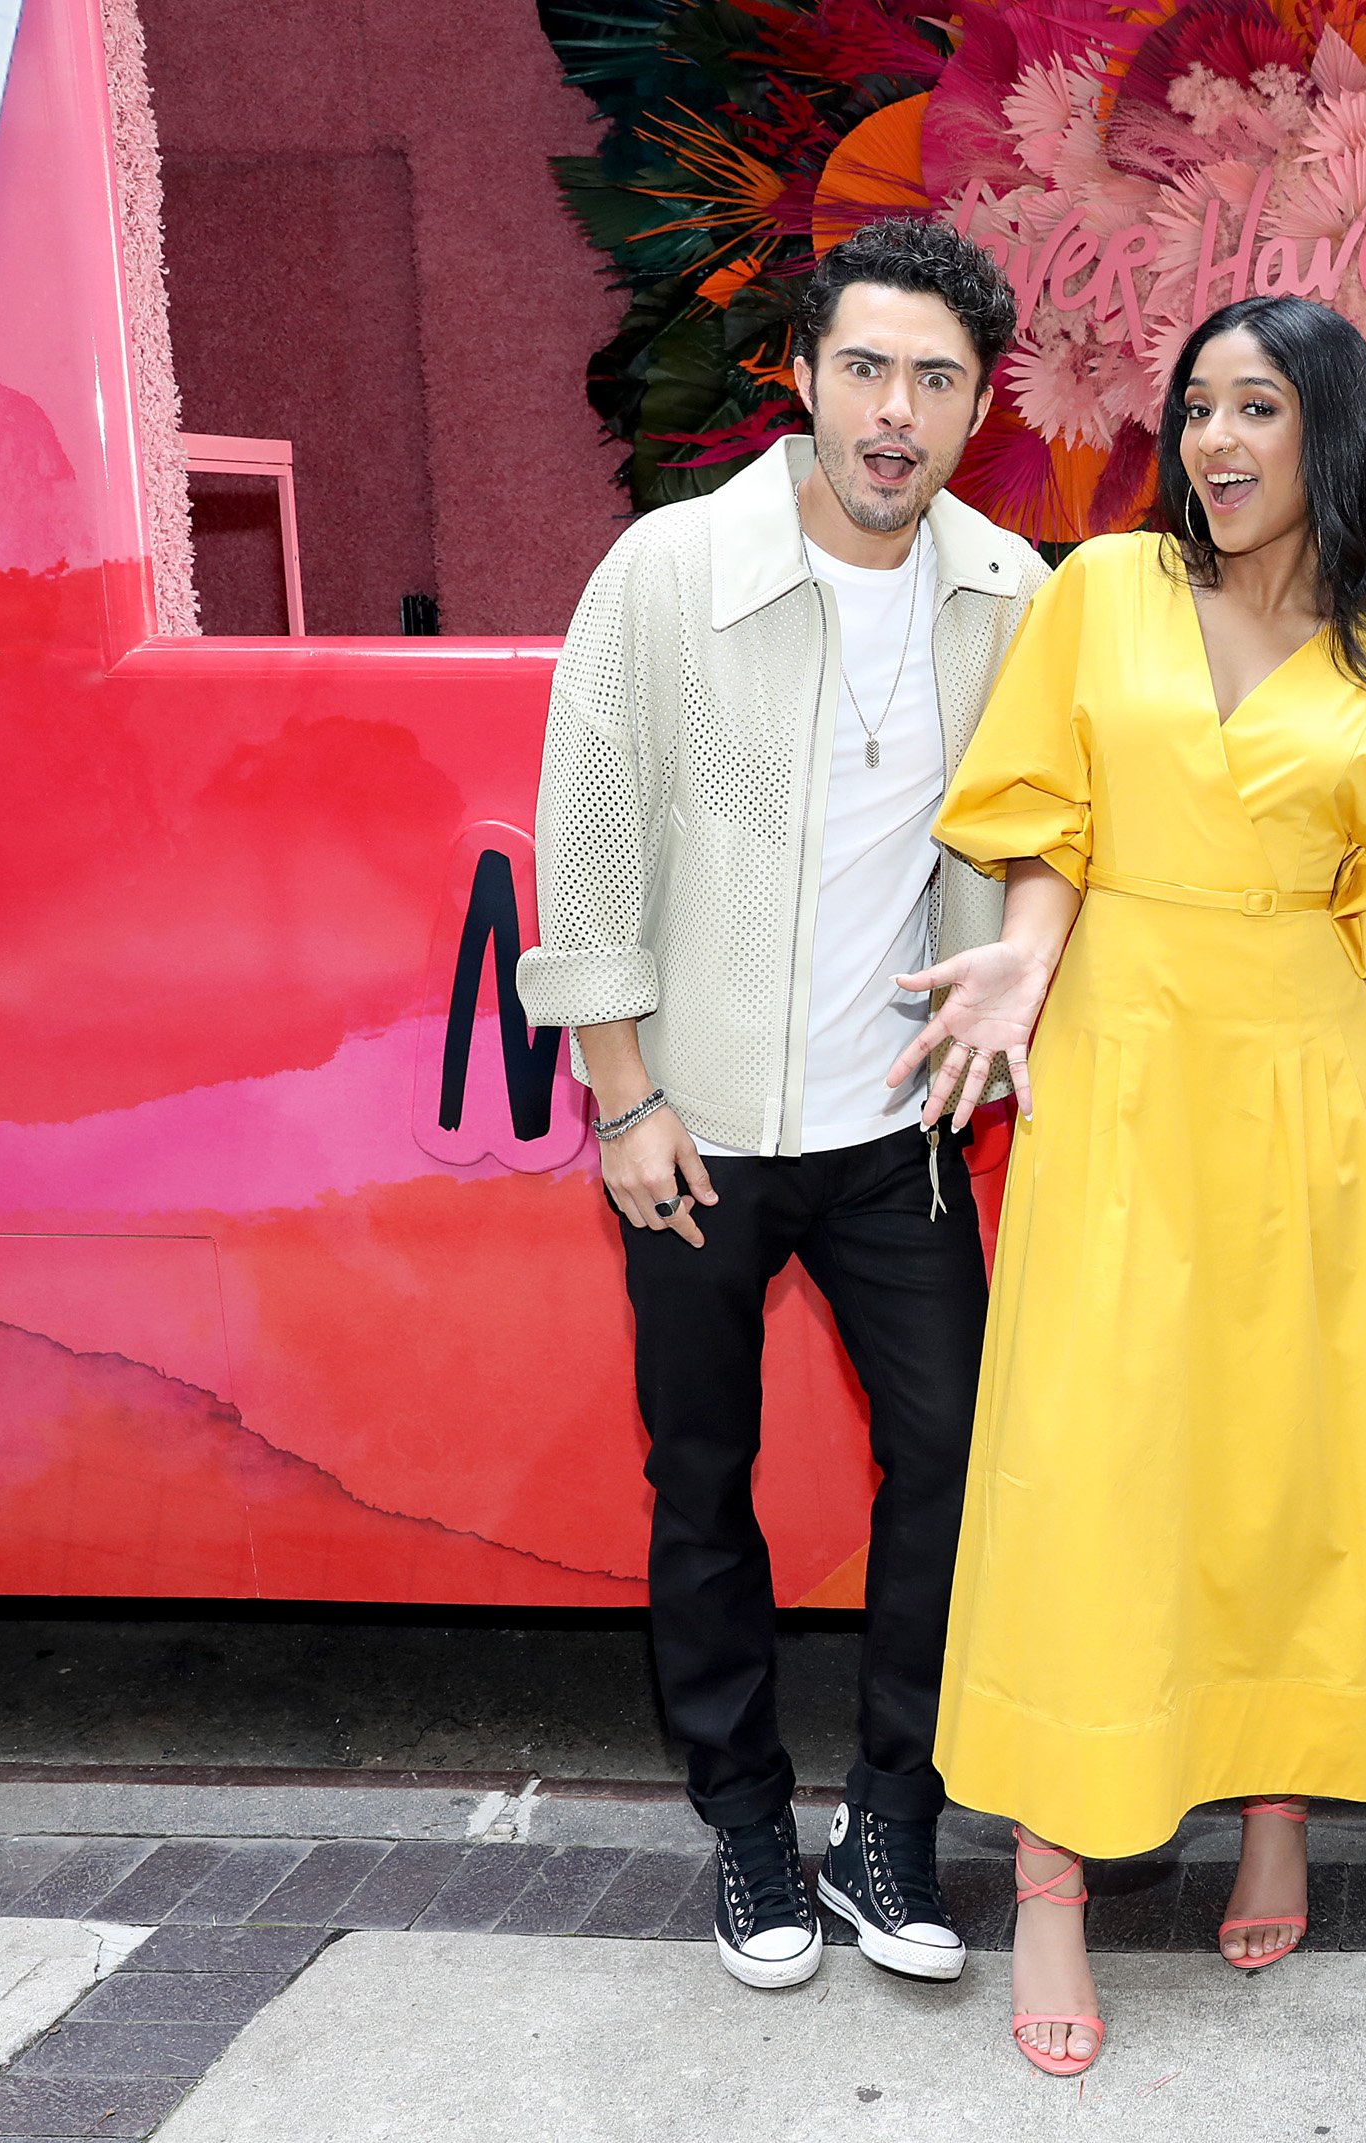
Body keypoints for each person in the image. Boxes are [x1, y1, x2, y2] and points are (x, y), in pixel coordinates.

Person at [889, 294, 1366, 2077]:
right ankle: (1052, 1881)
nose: (1214, 440)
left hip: (1309, 1098)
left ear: (1328, 432)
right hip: (1121, 1070)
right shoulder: (1099, 594)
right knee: (1095, 1469)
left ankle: (1278, 1802)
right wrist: (1026, 965)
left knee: (1282, 1456)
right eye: (1198, 407)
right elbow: (1054, 831)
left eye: (1256, 407)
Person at [518, 218, 1044, 1992]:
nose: (898, 413)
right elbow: (583, 846)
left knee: (956, 1465)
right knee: (702, 1478)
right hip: (700, 1132)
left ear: (980, 406)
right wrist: (624, 1099)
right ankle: (744, 1827)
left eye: (938, 381)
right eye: (869, 370)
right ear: (805, 380)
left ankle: (889, 1822)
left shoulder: (1007, 593)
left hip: (897, 1136)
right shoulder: (669, 572)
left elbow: (1042, 836)